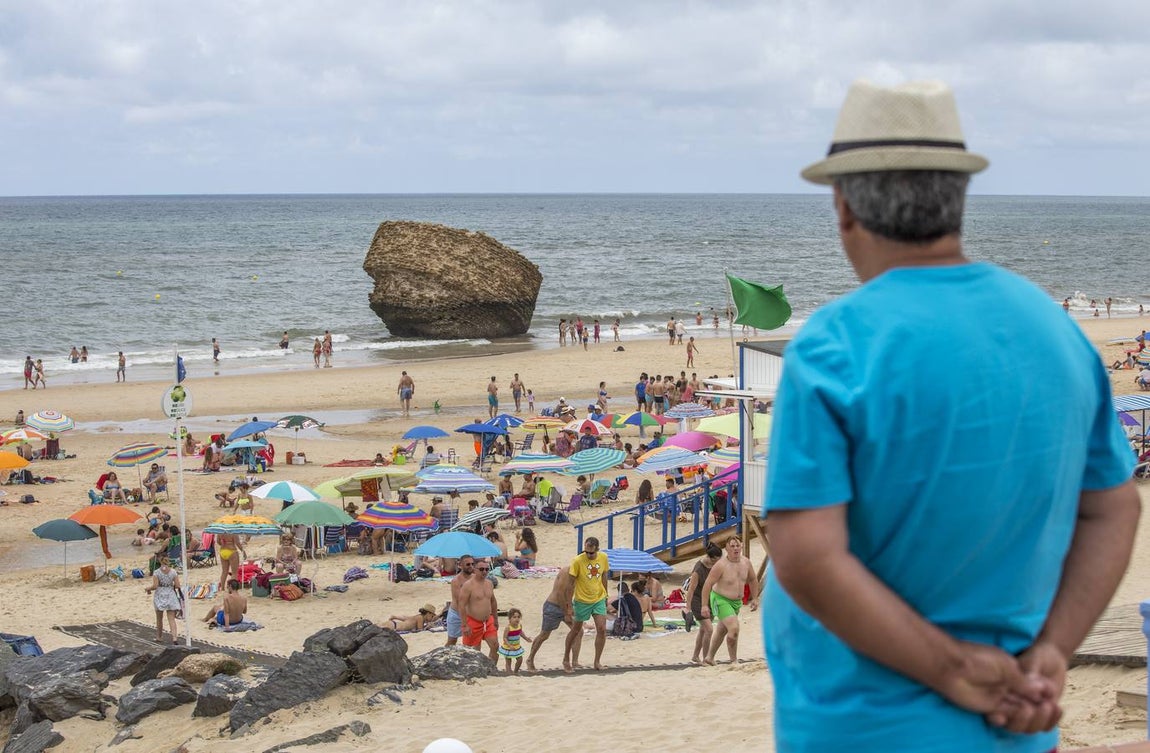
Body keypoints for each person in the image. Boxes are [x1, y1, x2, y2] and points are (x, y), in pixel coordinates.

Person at [763, 80, 1140, 751]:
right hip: (1016, 721)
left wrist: (953, 668)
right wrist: (1054, 649)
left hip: (862, 727)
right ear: (957, 198)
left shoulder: (836, 345)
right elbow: (1115, 508)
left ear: (844, 206)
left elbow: (807, 555)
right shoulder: (1056, 332)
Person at [700, 537, 758, 665]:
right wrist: (704, 605)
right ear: (726, 549)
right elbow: (707, 584)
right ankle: (734, 660)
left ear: (741, 546)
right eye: (732, 546)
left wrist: (755, 598)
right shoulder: (721, 565)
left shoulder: (746, 562)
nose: (735, 548)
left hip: (736, 602)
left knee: (722, 630)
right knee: (734, 628)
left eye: (737, 545)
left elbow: (753, 580)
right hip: (719, 599)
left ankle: (709, 658)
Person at [563, 536, 610, 672]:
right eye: (586, 552)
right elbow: (570, 585)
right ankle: (566, 658)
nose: (588, 555)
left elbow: (604, 576)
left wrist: (606, 595)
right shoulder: (577, 561)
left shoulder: (603, 558)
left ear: (597, 550)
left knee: (601, 629)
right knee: (576, 630)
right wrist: (569, 605)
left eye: (591, 553)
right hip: (582, 600)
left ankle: (597, 661)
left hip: (598, 598)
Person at [524, 569, 574, 672]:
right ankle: (530, 659)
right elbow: (560, 593)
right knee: (544, 635)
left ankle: (573, 661)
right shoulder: (566, 572)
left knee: (578, 631)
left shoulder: (581, 572)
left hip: (567, 605)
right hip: (553, 606)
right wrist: (566, 613)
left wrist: (570, 607)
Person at [683, 543, 722, 663]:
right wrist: (688, 608)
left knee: (703, 630)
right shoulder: (699, 569)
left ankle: (695, 656)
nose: (718, 562)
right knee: (709, 629)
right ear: (710, 558)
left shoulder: (717, 565)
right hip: (697, 600)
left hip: (710, 599)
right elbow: (691, 589)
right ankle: (707, 658)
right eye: (716, 560)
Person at [459, 559, 499, 660]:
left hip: (488, 621)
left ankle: (491, 670)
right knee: (474, 652)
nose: (484, 572)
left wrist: (495, 619)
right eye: (481, 569)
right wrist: (464, 625)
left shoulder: (489, 583)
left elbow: (493, 601)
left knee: (495, 646)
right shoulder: (468, 585)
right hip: (473, 621)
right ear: (475, 570)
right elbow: (461, 605)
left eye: (487, 569)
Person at [145, 558, 183, 644]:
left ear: (159, 561)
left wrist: (148, 589)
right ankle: (174, 638)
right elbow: (177, 585)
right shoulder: (173, 572)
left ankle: (159, 637)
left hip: (160, 594)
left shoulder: (157, 572)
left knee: (159, 618)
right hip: (170, 594)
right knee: (171, 619)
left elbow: (155, 586)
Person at [445, 555, 476, 647]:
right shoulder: (456, 581)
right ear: (460, 565)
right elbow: (460, 601)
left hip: (471, 613)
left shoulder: (475, 578)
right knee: (452, 641)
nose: (471, 566)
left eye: (472, 564)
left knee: (471, 640)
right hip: (456, 614)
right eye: (468, 564)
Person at [499, 607, 533, 673]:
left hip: (517, 646)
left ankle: (515, 671)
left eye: (518, 617)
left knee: (520, 659)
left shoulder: (519, 625)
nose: (517, 619)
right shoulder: (508, 628)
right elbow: (504, 638)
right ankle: (509, 673)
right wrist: (509, 645)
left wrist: (526, 638)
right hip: (508, 647)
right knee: (508, 662)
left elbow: (520, 632)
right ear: (509, 619)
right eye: (514, 617)